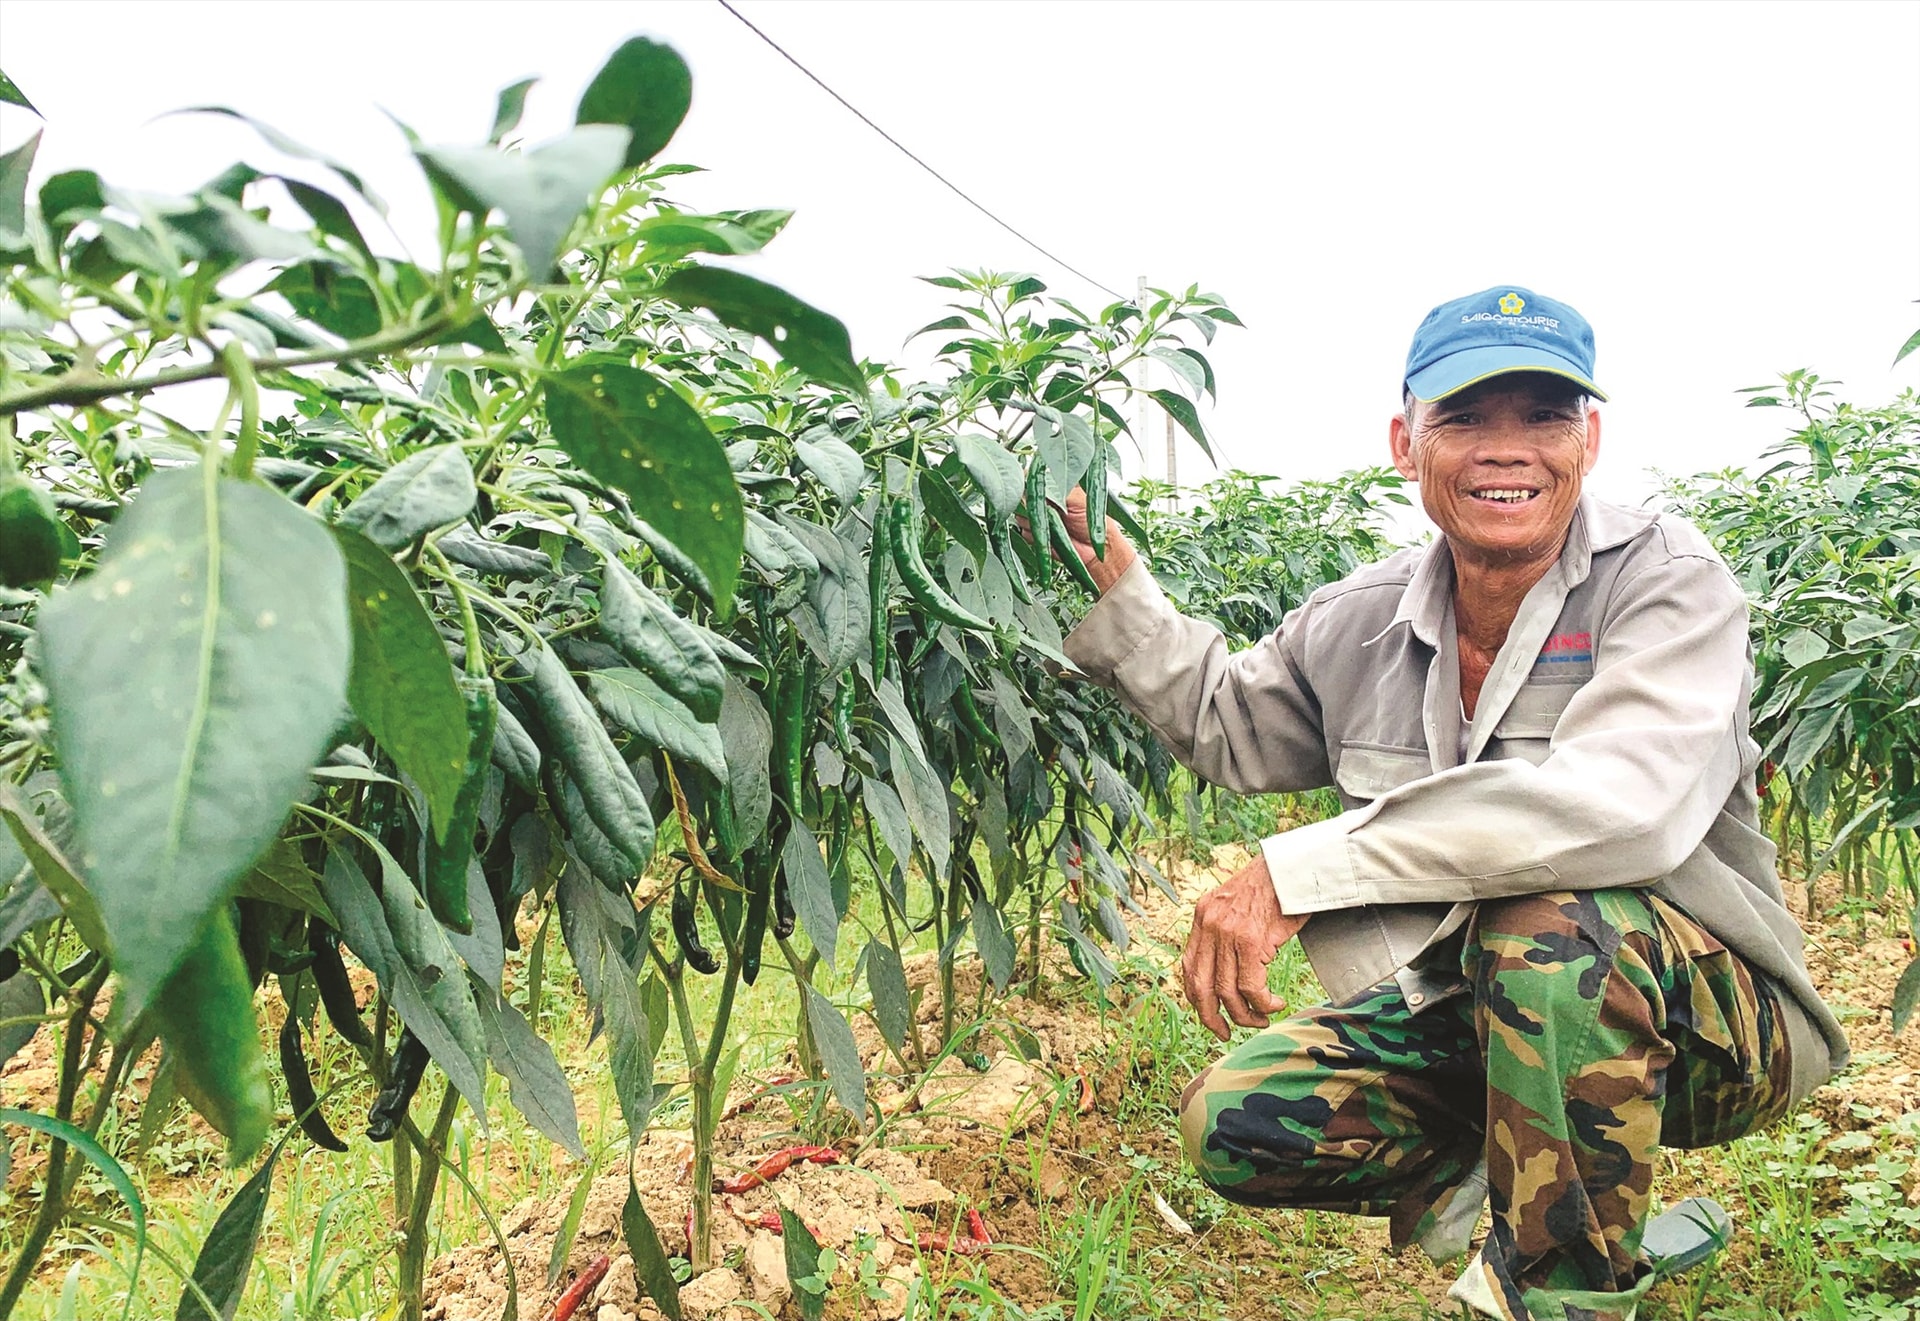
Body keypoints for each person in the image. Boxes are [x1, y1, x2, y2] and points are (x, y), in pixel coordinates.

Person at [1054, 286, 1849, 1321]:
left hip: (1716, 1029)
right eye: (1466, 417)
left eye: (1545, 416)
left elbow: (1617, 809)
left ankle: (1564, 1297)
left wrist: (1297, 871)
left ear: (1590, 440)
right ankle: (1540, 1184)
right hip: (1486, 1011)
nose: (1507, 449)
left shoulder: (1665, 584)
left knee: (1549, 924)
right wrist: (1122, 591)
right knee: (1242, 1119)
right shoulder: (1359, 622)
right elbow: (1230, 724)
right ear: (1405, 441)